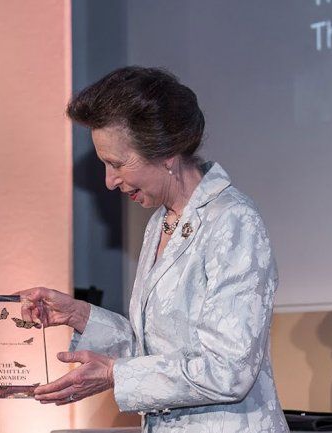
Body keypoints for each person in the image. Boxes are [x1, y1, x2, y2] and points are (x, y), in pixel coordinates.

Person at [19, 67, 289, 432]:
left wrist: (116, 375)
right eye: (104, 165)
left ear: (167, 154)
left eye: (117, 164)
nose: (109, 181)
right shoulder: (160, 223)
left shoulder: (233, 221)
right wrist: (80, 315)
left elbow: (229, 369)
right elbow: (156, 351)